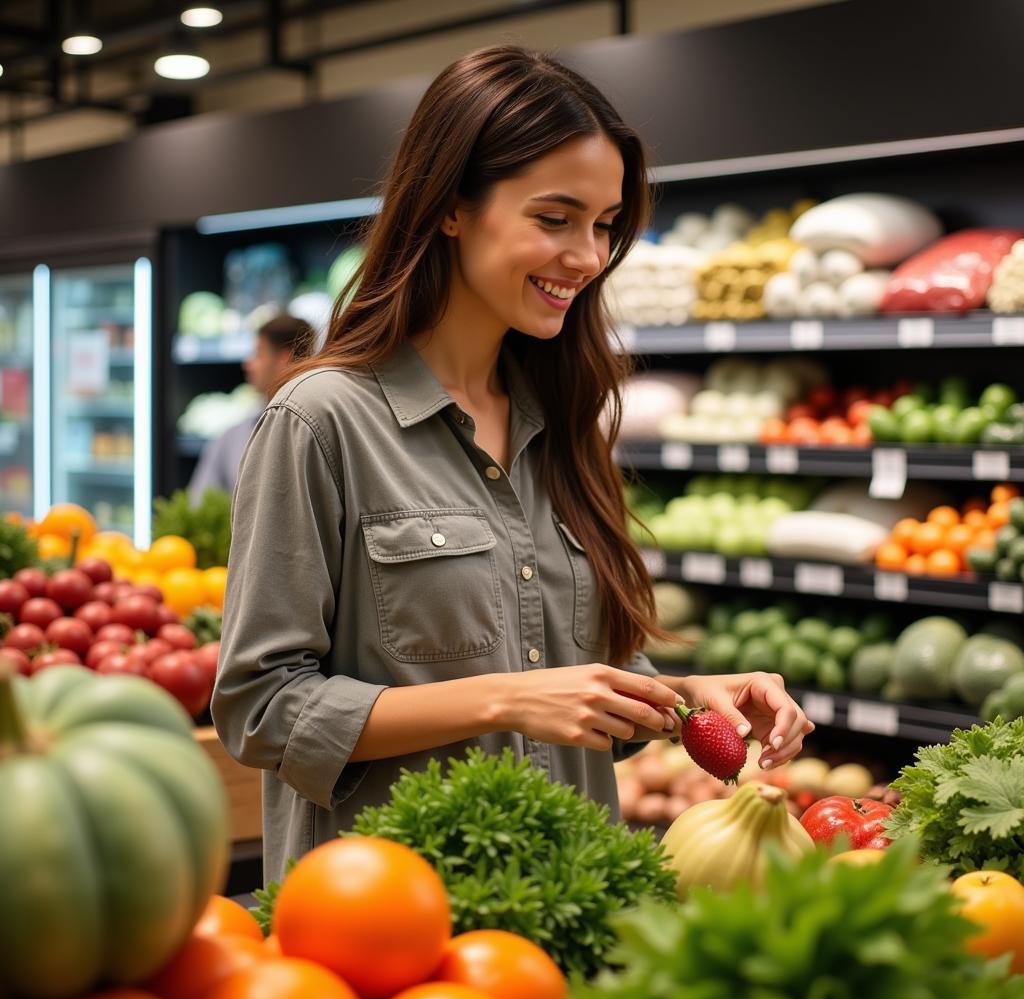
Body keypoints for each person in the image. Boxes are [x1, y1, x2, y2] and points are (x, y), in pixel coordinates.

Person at [213, 45, 813, 883]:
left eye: (605, 225)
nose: (589, 256)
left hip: (568, 903)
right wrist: (505, 700)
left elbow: (557, 667)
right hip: (392, 926)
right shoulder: (322, 424)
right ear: (453, 206)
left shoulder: (559, 422)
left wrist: (684, 698)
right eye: (555, 218)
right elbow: (261, 710)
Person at [187, 314, 312, 504]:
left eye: (258, 353)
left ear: (284, 359)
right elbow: (198, 506)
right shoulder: (231, 437)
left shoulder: (313, 431)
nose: (248, 364)